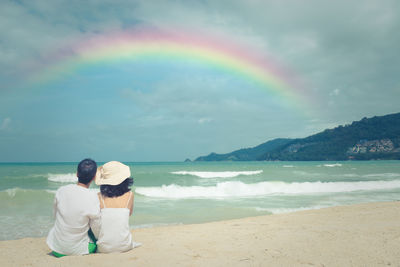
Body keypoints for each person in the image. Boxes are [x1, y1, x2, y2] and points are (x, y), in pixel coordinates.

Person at [47, 158, 101, 257]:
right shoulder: (92, 197)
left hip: (56, 249)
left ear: (77, 173)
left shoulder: (61, 190)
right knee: (93, 226)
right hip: (77, 251)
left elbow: (55, 214)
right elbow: (96, 227)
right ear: (94, 177)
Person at [95, 161, 140, 253]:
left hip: (103, 248)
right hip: (125, 246)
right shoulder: (130, 195)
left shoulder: (99, 197)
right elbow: (129, 214)